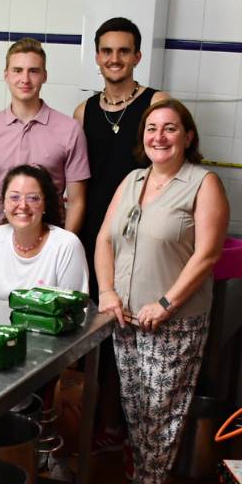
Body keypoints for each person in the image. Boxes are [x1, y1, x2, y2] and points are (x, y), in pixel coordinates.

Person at [95, 99, 229, 484]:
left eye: (170, 128)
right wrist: (108, 291)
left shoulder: (203, 183)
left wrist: (167, 303)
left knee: (161, 416)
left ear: (188, 137)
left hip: (173, 322)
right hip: (126, 318)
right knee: (136, 412)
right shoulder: (133, 180)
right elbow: (104, 240)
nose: (159, 136)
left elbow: (208, 254)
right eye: (152, 128)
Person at [74, 17, 170, 297]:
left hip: (142, 229)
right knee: (95, 311)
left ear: (137, 57)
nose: (114, 59)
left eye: (123, 51)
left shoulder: (156, 103)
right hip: (94, 229)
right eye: (107, 51)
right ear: (97, 57)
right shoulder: (83, 112)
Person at [0, 38, 90, 245]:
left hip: (49, 241)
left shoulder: (70, 130)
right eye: (17, 70)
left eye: (33, 71)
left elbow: (77, 201)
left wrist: (62, 247)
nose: (25, 79)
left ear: (44, 76)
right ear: (6, 75)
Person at [0, 164, 89, 299]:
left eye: (33, 198)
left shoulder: (66, 245)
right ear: (3, 203)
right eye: (14, 197)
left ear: (45, 204)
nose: (23, 205)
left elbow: (74, 311)